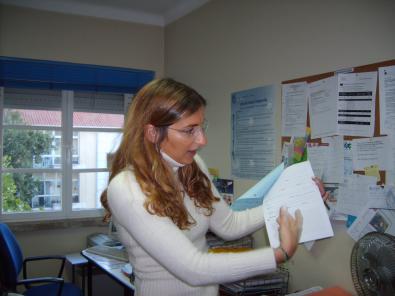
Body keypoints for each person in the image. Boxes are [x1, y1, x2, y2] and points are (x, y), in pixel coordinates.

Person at [100, 78, 327, 296]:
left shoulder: (192, 166)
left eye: (201, 127)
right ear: (152, 133)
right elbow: (194, 269)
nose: (202, 140)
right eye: (189, 130)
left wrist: (298, 198)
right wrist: (279, 254)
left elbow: (229, 225)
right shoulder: (127, 188)